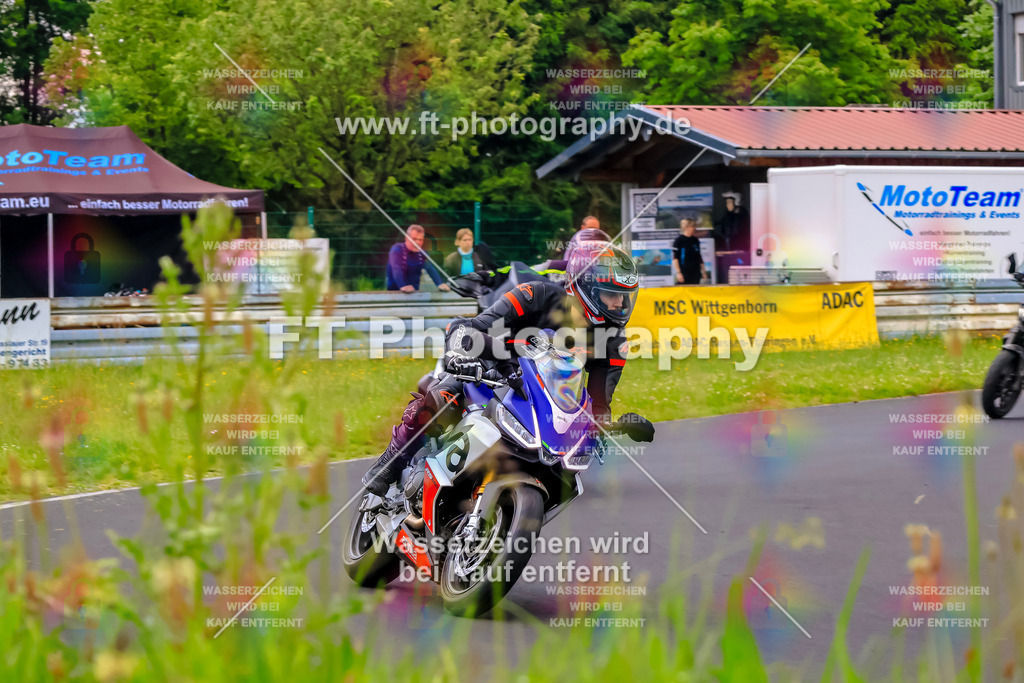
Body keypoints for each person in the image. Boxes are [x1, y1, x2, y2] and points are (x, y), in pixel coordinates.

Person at [361, 241, 655, 495]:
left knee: (566, 468)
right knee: (443, 399)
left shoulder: (614, 341)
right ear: (586, 287)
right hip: (486, 370)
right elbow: (470, 327)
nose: (620, 304)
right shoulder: (535, 294)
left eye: (625, 296)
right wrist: (460, 350)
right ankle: (389, 464)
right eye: (611, 295)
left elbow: (598, 402)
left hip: (541, 399)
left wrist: (611, 425)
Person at [386, 224, 450, 293]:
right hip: (395, 293)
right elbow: (396, 268)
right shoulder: (397, 249)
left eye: (420, 240)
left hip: (414, 294)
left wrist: (440, 283)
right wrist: (403, 285)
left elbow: (430, 268)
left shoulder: (422, 254)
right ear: (407, 238)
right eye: (414, 239)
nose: (417, 242)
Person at [673, 219, 707, 285]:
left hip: (695, 272)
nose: (694, 228)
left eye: (694, 226)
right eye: (693, 226)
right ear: (687, 227)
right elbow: (675, 258)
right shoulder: (679, 240)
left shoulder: (695, 240)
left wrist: (703, 271)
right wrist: (678, 273)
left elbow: (699, 257)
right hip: (684, 272)